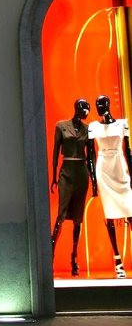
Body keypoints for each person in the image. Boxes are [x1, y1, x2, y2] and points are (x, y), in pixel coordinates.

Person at [50, 98, 96, 276]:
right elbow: (56, 151)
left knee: (78, 217)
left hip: (81, 173)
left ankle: (74, 257)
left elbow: (91, 156)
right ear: (77, 107)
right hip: (67, 172)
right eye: (84, 107)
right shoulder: (61, 126)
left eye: (88, 108)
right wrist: (54, 177)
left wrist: (93, 180)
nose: (87, 111)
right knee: (61, 215)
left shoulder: (88, 129)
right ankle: (50, 254)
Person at [88, 95, 132, 278]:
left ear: (108, 104)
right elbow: (90, 155)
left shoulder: (122, 124)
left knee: (130, 211)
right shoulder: (94, 127)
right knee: (110, 216)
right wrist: (93, 181)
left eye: (102, 104)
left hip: (119, 167)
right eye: (97, 104)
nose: (99, 107)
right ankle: (118, 261)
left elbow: (127, 150)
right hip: (104, 169)